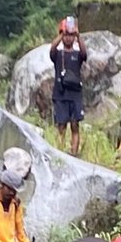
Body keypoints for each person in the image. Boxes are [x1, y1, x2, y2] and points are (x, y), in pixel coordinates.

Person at [50, 17, 88, 156]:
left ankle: (74, 153)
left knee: (75, 125)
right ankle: (59, 152)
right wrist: (61, 33)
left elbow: (84, 54)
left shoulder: (77, 54)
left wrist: (78, 35)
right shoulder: (58, 54)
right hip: (60, 94)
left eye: (70, 36)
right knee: (61, 125)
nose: (68, 38)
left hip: (75, 94)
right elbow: (52, 49)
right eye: (66, 35)